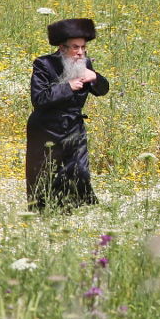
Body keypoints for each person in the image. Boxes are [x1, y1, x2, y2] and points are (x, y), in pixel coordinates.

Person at [25, 18, 110, 210]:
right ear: (62, 48)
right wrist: (68, 87)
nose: (80, 53)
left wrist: (95, 77)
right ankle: (45, 214)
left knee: (79, 171)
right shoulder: (44, 64)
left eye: (83, 47)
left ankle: (75, 211)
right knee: (45, 173)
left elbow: (102, 90)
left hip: (74, 126)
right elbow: (39, 99)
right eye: (75, 47)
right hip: (46, 128)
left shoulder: (85, 62)